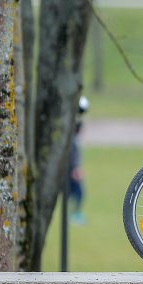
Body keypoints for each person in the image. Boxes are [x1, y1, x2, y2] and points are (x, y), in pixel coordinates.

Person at [67, 96, 89, 225]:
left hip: (71, 170)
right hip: (71, 171)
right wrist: (75, 169)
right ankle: (74, 215)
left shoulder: (73, 141)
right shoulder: (72, 142)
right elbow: (73, 156)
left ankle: (73, 214)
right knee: (79, 193)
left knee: (75, 194)